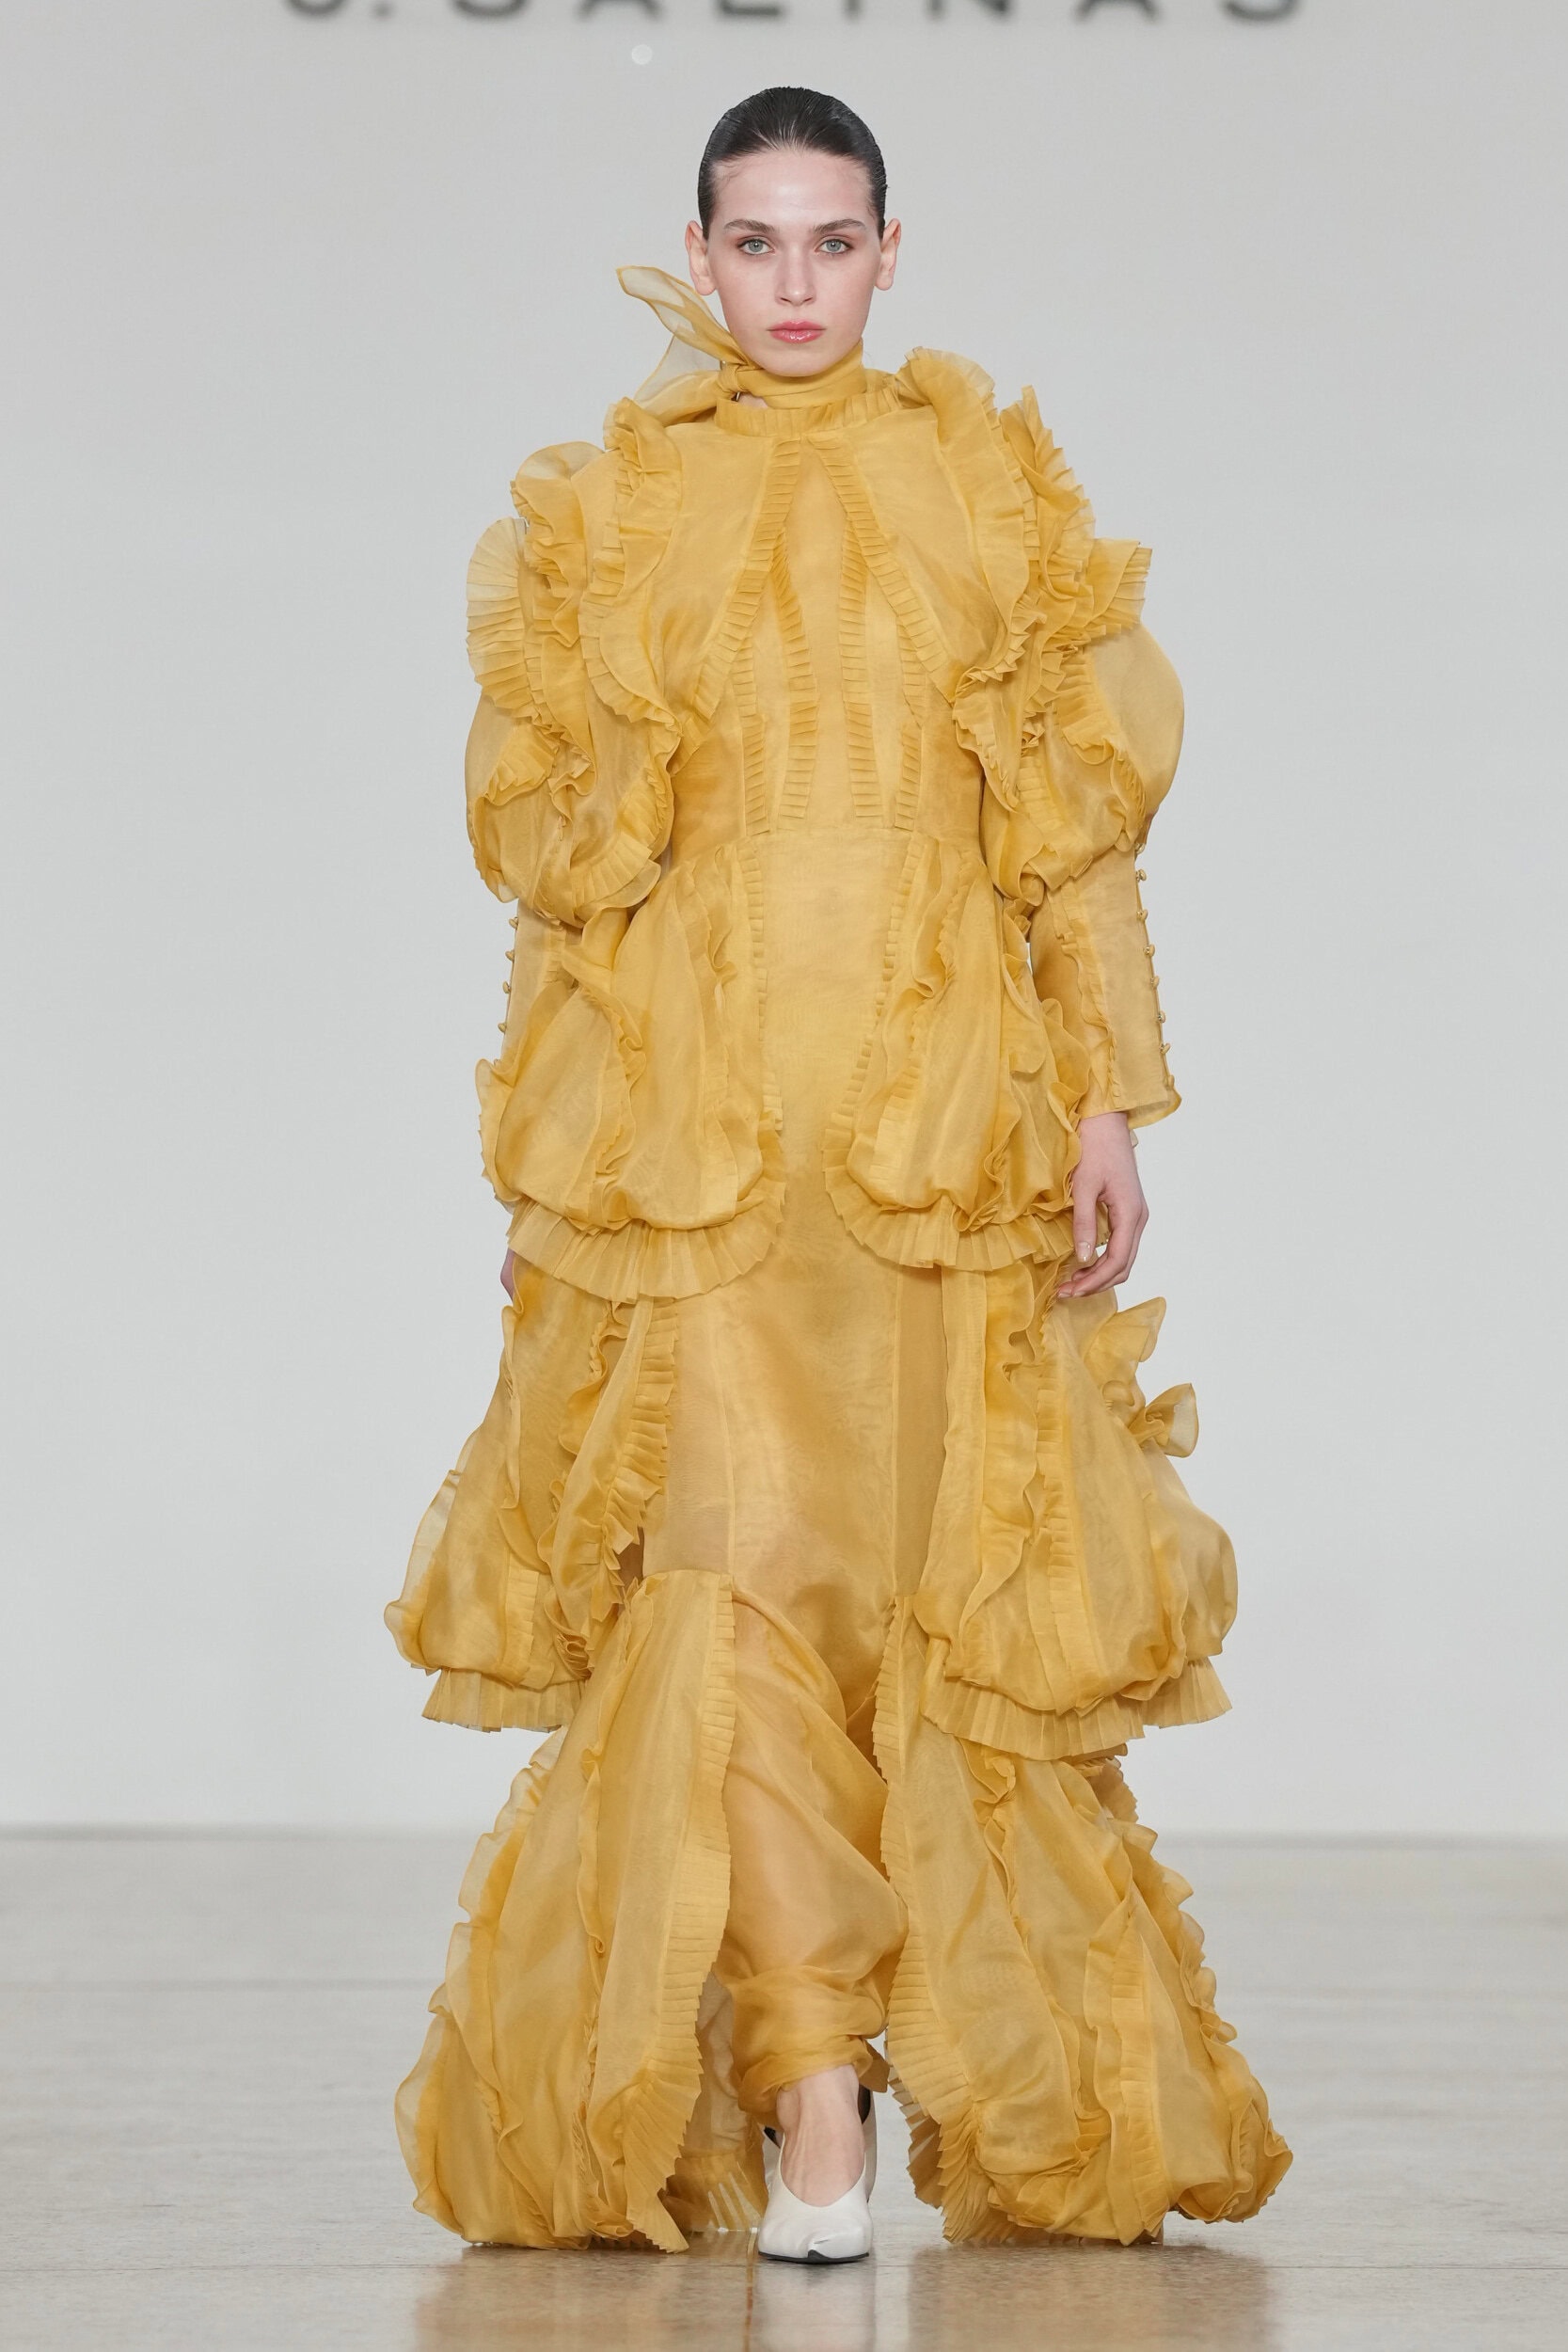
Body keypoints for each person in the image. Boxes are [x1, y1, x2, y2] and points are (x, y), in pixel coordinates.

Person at [385, 86, 1291, 2264]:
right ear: (699, 252)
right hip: (702, 1158)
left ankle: (931, 2058)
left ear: (892, 251)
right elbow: (561, 881)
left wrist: (1109, 1097)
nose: (793, 281)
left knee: (926, 1606)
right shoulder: (609, 509)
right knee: (727, 1600)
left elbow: (1066, 835)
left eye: (830, 239)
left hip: (941, 1143)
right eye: (755, 240)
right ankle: (811, 2096)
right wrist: (560, 1157)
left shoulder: (983, 485)